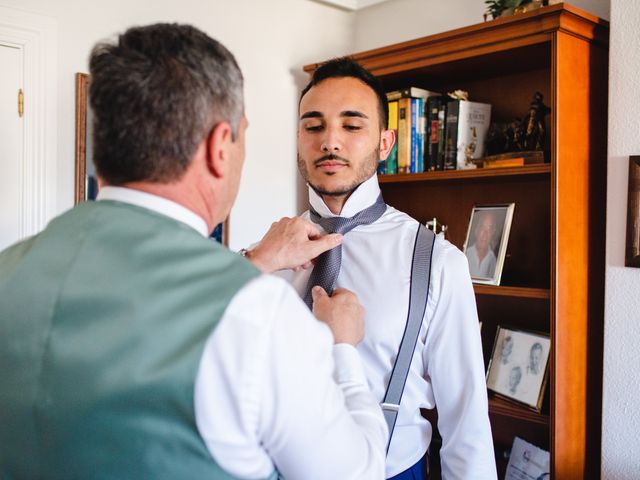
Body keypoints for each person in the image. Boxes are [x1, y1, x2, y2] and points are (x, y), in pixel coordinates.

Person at [0, 25, 388, 479]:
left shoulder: (10, 271)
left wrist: (254, 264)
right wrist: (342, 349)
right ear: (219, 146)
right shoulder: (256, 315)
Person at [248, 58, 497, 479]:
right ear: (298, 139)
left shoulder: (437, 262)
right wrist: (254, 262)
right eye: (313, 126)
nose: (330, 141)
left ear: (385, 143)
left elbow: (465, 416)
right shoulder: (262, 255)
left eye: (351, 125)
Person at [465, 210, 499, 278]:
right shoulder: (466, 254)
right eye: (482, 227)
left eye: (489, 229)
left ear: (492, 233)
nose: (485, 234)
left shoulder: (493, 260)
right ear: (476, 230)